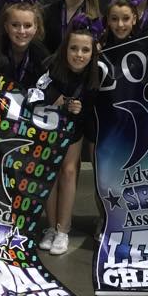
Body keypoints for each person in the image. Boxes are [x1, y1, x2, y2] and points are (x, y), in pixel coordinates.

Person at [36, 16, 101, 255]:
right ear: (65, 49)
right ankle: (51, 227)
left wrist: (79, 108)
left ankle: (63, 229)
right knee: (49, 173)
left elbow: (93, 105)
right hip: (48, 127)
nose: (79, 55)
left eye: (85, 50)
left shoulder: (96, 73)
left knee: (69, 171)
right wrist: (56, 100)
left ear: (92, 53)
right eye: (74, 48)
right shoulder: (51, 66)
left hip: (76, 128)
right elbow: (36, 91)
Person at [0, 0, 49, 89]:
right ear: (6, 26)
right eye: (15, 25)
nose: (22, 31)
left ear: (36, 27)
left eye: (27, 26)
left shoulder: (42, 57)